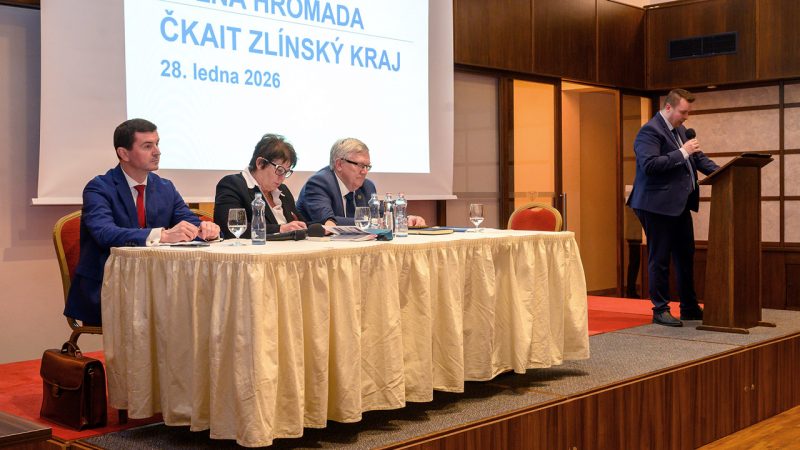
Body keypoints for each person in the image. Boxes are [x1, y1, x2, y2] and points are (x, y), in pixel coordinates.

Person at [64, 118, 220, 325]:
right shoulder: (99, 187)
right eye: (147, 146)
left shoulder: (165, 187)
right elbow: (105, 233)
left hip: (160, 286)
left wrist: (204, 228)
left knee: (202, 309)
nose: (157, 152)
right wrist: (161, 235)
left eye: (157, 144)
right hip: (110, 288)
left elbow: (188, 219)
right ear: (124, 153)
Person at [627, 89, 719, 327]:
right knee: (660, 257)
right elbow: (650, 165)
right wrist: (682, 152)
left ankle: (689, 306)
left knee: (685, 255)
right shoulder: (650, 131)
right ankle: (660, 309)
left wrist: (726, 172)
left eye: (688, 113)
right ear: (668, 107)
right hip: (655, 205)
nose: (686, 117)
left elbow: (698, 159)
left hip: (679, 205)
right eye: (683, 112)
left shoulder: (679, 130)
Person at [296, 137, 426, 227]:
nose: (364, 171)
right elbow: (328, 221)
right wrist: (373, 222)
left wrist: (404, 220)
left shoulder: (367, 186)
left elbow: (381, 215)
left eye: (367, 166)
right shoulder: (319, 183)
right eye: (360, 165)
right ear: (339, 164)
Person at [214, 133, 307, 238]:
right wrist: (280, 229)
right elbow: (230, 228)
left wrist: (318, 227)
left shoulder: (282, 190)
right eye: (279, 170)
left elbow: (301, 223)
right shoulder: (232, 185)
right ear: (260, 163)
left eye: (286, 172)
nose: (282, 178)